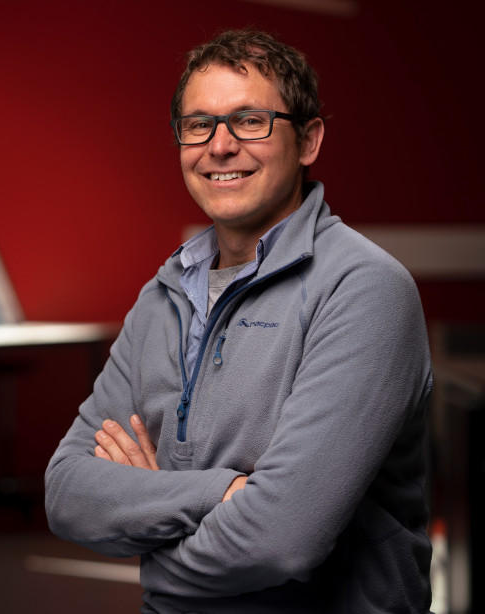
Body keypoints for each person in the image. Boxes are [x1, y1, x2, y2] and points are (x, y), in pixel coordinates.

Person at [44, 28, 433, 613]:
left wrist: (158, 563)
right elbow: (68, 493)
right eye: (198, 124)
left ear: (308, 140)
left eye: (250, 121)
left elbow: (281, 540)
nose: (219, 146)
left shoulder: (364, 289)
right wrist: (222, 492)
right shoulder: (164, 294)